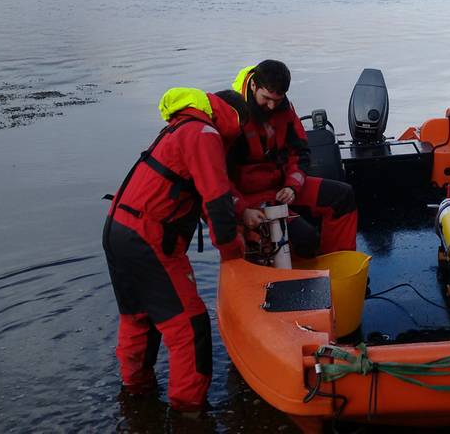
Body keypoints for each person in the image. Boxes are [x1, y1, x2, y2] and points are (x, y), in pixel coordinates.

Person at [102, 88, 249, 414]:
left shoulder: (183, 125)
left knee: (138, 317)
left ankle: (136, 394)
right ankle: (188, 411)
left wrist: (239, 216)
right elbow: (216, 200)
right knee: (190, 325)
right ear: (233, 118)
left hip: (118, 230)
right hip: (147, 238)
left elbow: (202, 191)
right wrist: (233, 253)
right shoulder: (206, 133)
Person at [228, 60, 357, 258]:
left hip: (280, 186)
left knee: (342, 195)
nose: (271, 106)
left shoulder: (284, 110)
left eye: (277, 100)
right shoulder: (232, 113)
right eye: (266, 98)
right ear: (253, 85)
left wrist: (291, 187)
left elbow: (300, 152)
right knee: (305, 238)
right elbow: (219, 176)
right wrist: (242, 209)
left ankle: (339, 261)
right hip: (250, 197)